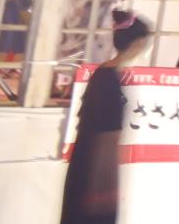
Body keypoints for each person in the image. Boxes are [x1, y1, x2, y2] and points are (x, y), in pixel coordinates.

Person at [59, 13, 153, 224]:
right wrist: (105, 191)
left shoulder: (102, 74)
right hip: (96, 175)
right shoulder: (110, 82)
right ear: (138, 43)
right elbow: (108, 140)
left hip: (84, 166)